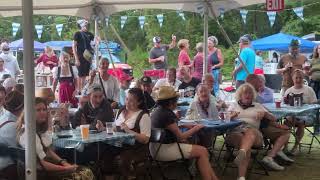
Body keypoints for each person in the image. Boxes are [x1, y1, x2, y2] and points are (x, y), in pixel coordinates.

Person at [150, 86, 219, 180]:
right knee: (203, 151)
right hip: (163, 150)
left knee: (201, 150)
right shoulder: (167, 114)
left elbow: (168, 128)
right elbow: (180, 137)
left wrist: (183, 126)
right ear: (171, 102)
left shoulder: (158, 111)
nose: (177, 102)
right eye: (176, 100)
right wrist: (196, 128)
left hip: (155, 148)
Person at [16, 97, 94, 180]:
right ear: (30, 112)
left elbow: (48, 150)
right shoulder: (28, 134)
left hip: (43, 170)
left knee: (86, 170)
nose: (42, 112)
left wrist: (63, 163)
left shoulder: (35, 129)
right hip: (39, 174)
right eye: (38, 110)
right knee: (84, 174)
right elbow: (43, 164)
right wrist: (66, 168)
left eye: (44, 109)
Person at [226, 84, 285, 180]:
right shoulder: (233, 105)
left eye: (250, 93)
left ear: (253, 95)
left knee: (250, 132)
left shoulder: (258, 106)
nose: (248, 95)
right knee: (245, 145)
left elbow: (274, 118)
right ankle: (241, 176)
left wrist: (265, 114)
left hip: (255, 135)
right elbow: (224, 119)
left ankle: (241, 158)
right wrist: (231, 116)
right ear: (240, 95)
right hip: (236, 133)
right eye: (245, 93)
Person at [114, 88, 151, 179]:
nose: (127, 102)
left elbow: (145, 139)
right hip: (118, 146)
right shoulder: (121, 111)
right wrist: (104, 128)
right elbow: (114, 128)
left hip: (136, 149)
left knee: (123, 160)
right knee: (104, 155)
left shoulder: (143, 115)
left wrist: (129, 131)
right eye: (127, 99)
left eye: (131, 100)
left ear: (139, 102)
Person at [284, 69, 317, 155]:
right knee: (286, 123)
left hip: (307, 115)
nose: (298, 80)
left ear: (303, 78)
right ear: (293, 79)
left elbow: (314, 105)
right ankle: (285, 147)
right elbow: (284, 105)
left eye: (300, 78)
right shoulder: (288, 91)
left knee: (300, 122)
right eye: (296, 78)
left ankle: (295, 147)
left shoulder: (309, 90)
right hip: (292, 116)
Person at [0, 90, 23, 179]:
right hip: (5, 170)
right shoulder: (13, 126)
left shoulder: (4, 117)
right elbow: (23, 151)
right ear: (21, 107)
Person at [72, 19, 95, 91]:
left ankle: (84, 91)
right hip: (80, 56)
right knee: (80, 75)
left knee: (85, 75)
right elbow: (74, 46)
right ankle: (80, 91)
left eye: (87, 24)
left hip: (88, 57)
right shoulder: (77, 33)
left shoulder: (90, 34)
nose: (86, 25)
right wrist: (76, 59)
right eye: (84, 24)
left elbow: (93, 45)